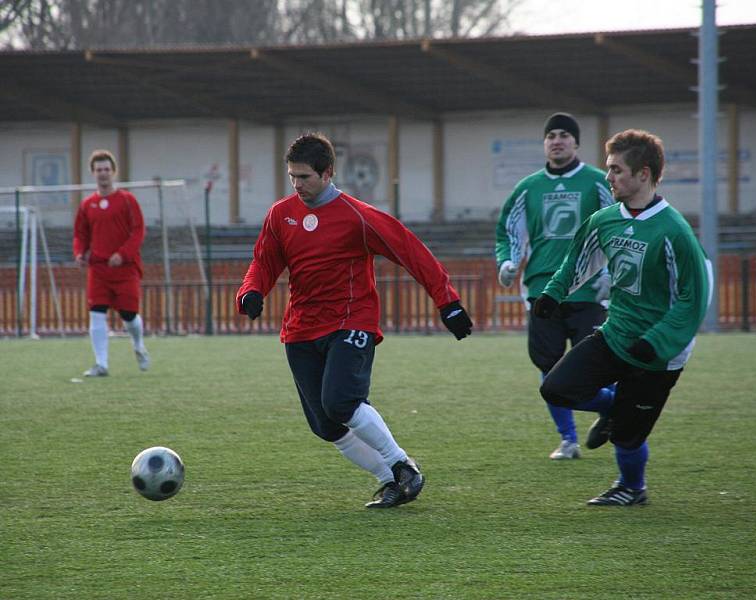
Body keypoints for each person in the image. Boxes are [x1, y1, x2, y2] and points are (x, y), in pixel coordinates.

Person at [237, 132, 472, 509]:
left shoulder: (357, 217)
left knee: (341, 401)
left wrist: (449, 303)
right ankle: (391, 481)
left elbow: (412, 251)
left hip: (351, 322)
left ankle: (402, 465)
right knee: (325, 425)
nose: (297, 185)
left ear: (328, 172)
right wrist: (251, 292)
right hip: (300, 329)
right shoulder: (280, 215)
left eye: (305, 177)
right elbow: (263, 263)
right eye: (292, 177)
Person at [536, 129, 712, 505]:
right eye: (608, 168)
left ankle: (632, 488)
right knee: (556, 388)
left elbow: (692, 300)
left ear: (643, 174)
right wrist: (553, 293)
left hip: (658, 353)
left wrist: (658, 342)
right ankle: (613, 408)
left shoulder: (674, 231)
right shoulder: (604, 220)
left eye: (616, 170)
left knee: (629, 437)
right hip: (615, 335)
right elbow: (576, 263)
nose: (608, 177)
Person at [495, 112, 616, 460]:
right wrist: (508, 262)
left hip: (589, 290)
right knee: (549, 369)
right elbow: (509, 230)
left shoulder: (597, 181)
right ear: (544, 143)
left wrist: (612, 272)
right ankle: (569, 439)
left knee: (591, 368)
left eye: (564, 134)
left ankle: (610, 405)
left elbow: (619, 223)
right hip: (542, 290)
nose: (557, 140)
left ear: (576, 143)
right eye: (551, 135)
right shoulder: (528, 187)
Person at [73, 150, 150, 377]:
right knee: (96, 312)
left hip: (125, 268)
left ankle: (138, 345)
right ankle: (101, 364)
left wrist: (123, 254)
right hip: (98, 268)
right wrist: (79, 253)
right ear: (93, 173)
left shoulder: (127, 200)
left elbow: (138, 231)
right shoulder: (87, 205)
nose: (103, 174)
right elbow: (80, 234)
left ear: (113, 172)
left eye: (107, 169)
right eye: (99, 170)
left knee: (128, 315)